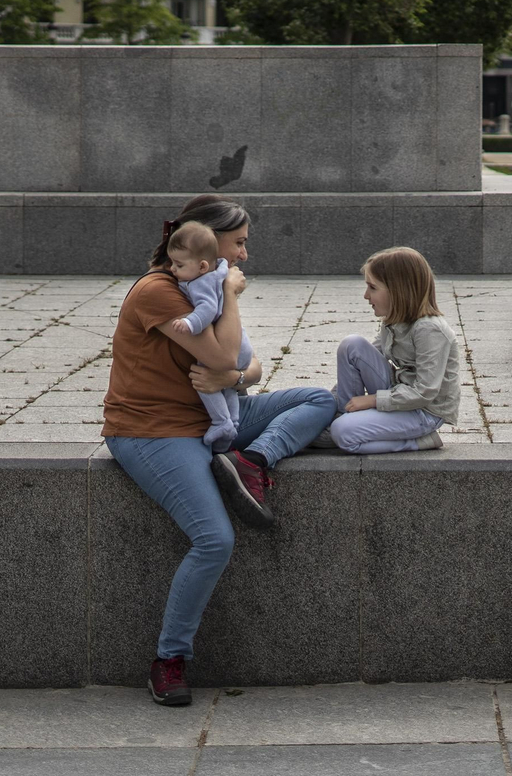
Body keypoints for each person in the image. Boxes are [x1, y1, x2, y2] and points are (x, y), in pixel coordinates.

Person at [101, 194, 336, 707]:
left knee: (323, 399)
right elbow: (227, 354)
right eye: (240, 243)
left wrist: (233, 373)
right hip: (154, 431)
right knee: (214, 540)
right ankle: (169, 659)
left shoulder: (200, 284)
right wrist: (230, 298)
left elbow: (246, 370)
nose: (246, 256)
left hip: (216, 416)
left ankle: (251, 461)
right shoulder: (158, 292)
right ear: (207, 243)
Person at [326, 247, 457, 454]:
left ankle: (420, 441)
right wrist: (330, 402)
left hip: (423, 412)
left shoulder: (430, 330)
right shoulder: (393, 321)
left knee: (343, 432)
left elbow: (425, 392)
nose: (366, 295)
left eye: (373, 287)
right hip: (399, 394)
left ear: (398, 290)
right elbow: (365, 359)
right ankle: (342, 413)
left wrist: (372, 400)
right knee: (352, 345)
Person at [160, 220, 247, 452]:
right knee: (225, 387)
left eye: (178, 264)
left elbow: (207, 309)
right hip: (241, 346)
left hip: (231, 347)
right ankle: (233, 422)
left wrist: (189, 322)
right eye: (172, 264)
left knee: (204, 378)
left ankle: (221, 421)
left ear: (201, 266)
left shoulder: (200, 282)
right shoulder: (217, 272)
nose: (173, 270)